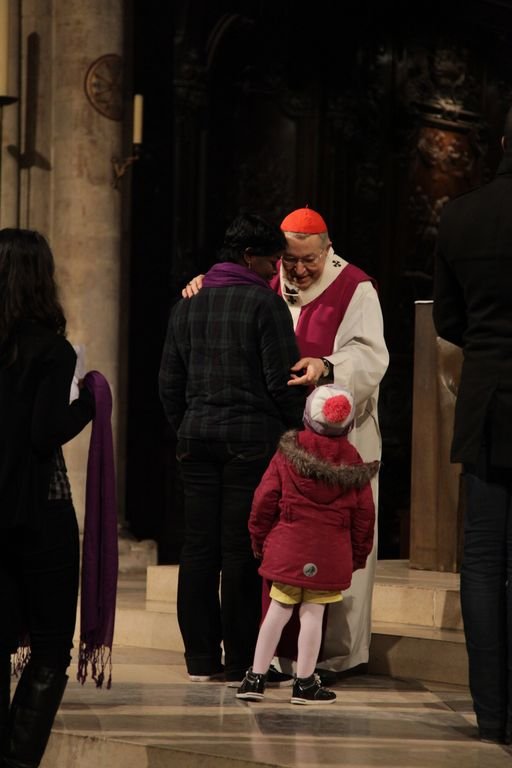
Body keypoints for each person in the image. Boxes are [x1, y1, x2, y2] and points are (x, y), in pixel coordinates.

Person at [184, 206, 389, 676]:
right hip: (279, 441)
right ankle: (272, 654)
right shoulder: (265, 282)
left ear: (328, 249)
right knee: (282, 542)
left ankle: (331, 655)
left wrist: (326, 365)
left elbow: (370, 353)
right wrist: (203, 283)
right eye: (289, 260)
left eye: (308, 260)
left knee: (331, 545)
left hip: (340, 441)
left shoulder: (354, 286)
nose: (298, 270)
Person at [158, 213, 307, 686]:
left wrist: (188, 428)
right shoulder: (266, 306)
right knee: (241, 549)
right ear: (249, 257)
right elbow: (281, 382)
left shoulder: (188, 304)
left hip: (196, 441)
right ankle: (241, 659)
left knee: (198, 548)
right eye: (272, 261)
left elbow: (169, 383)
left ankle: (200, 658)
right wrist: (293, 430)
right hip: (249, 442)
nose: (276, 271)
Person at [0, 229, 95, 767]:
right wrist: (88, 400)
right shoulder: (51, 349)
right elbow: (43, 433)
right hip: (39, 514)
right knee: (51, 648)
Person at [432, 108, 512, 746]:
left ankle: (492, 714)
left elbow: (448, 323)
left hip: (488, 400)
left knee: (483, 561)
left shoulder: (460, 215)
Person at [236, 384, 379, 705]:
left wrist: (259, 538)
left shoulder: (288, 453)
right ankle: (304, 683)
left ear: (307, 417)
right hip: (329, 552)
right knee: (313, 615)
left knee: (277, 610)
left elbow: (263, 500)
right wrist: (356, 555)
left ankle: (255, 677)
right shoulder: (353, 460)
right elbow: (364, 516)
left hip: (287, 547)